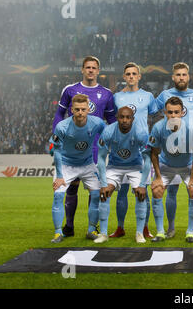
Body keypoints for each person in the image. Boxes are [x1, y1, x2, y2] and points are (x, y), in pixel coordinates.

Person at [51, 56, 116, 238]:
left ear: (98, 70)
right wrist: (55, 137)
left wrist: (113, 142)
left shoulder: (106, 93)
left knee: (93, 190)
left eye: (94, 67)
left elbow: (111, 121)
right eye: (87, 67)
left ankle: (92, 227)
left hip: (95, 148)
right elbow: (59, 113)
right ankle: (69, 226)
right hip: (72, 144)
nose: (90, 70)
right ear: (82, 69)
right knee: (71, 187)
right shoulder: (71, 90)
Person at [155, 62, 193, 239]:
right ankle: (171, 227)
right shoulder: (164, 95)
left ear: (188, 76)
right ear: (173, 77)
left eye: (184, 74)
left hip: (190, 149)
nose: (181, 77)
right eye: (178, 75)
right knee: (172, 192)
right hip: (169, 150)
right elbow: (152, 110)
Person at [109, 62, 158, 239]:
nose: (131, 76)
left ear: (139, 76)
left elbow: (153, 113)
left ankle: (145, 228)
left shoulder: (148, 96)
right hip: (121, 148)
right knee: (121, 191)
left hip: (142, 148)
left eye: (134, 74)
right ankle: (120, 227)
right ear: (124, 77)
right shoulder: (116, 97)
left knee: (142, 189)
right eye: (128, 74)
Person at [49, 94, 106, 243]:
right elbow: (57, 152)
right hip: (66, 165)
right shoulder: (62, 127)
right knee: (58, 195)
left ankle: (91, 229)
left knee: (96, 195)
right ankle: (57, 233)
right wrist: (60, 176)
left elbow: (107, 135)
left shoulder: (97, 123)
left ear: (88, 109)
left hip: (87, 164)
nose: (80, 112)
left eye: (83, 109)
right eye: (77, 109)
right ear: (71, 110)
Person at [148, 97, 193, 243]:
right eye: (170, 112)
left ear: (182, 113)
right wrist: (158, 177)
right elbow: (154, 153)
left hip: (187, 166)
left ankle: (190, 232)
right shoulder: (158, 128)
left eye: (176, 112)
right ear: (165, 112)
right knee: (157, 190)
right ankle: (160, 232)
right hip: (167, 166)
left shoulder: (191, 128)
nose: (173, 115)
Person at [95, 106, 152, 244]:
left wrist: (143, 185)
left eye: (128, 117)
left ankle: (139, 233)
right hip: (115, 167)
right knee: (104, 194)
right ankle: (103, 234)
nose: (124, 120)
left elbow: (147, 159)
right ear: (117, 118)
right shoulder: (108, 131)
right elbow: (101, 158)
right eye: (122, 117)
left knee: (140, 194)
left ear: (132, 119)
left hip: (135, 166)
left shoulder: (141, 132)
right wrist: (103, 184)